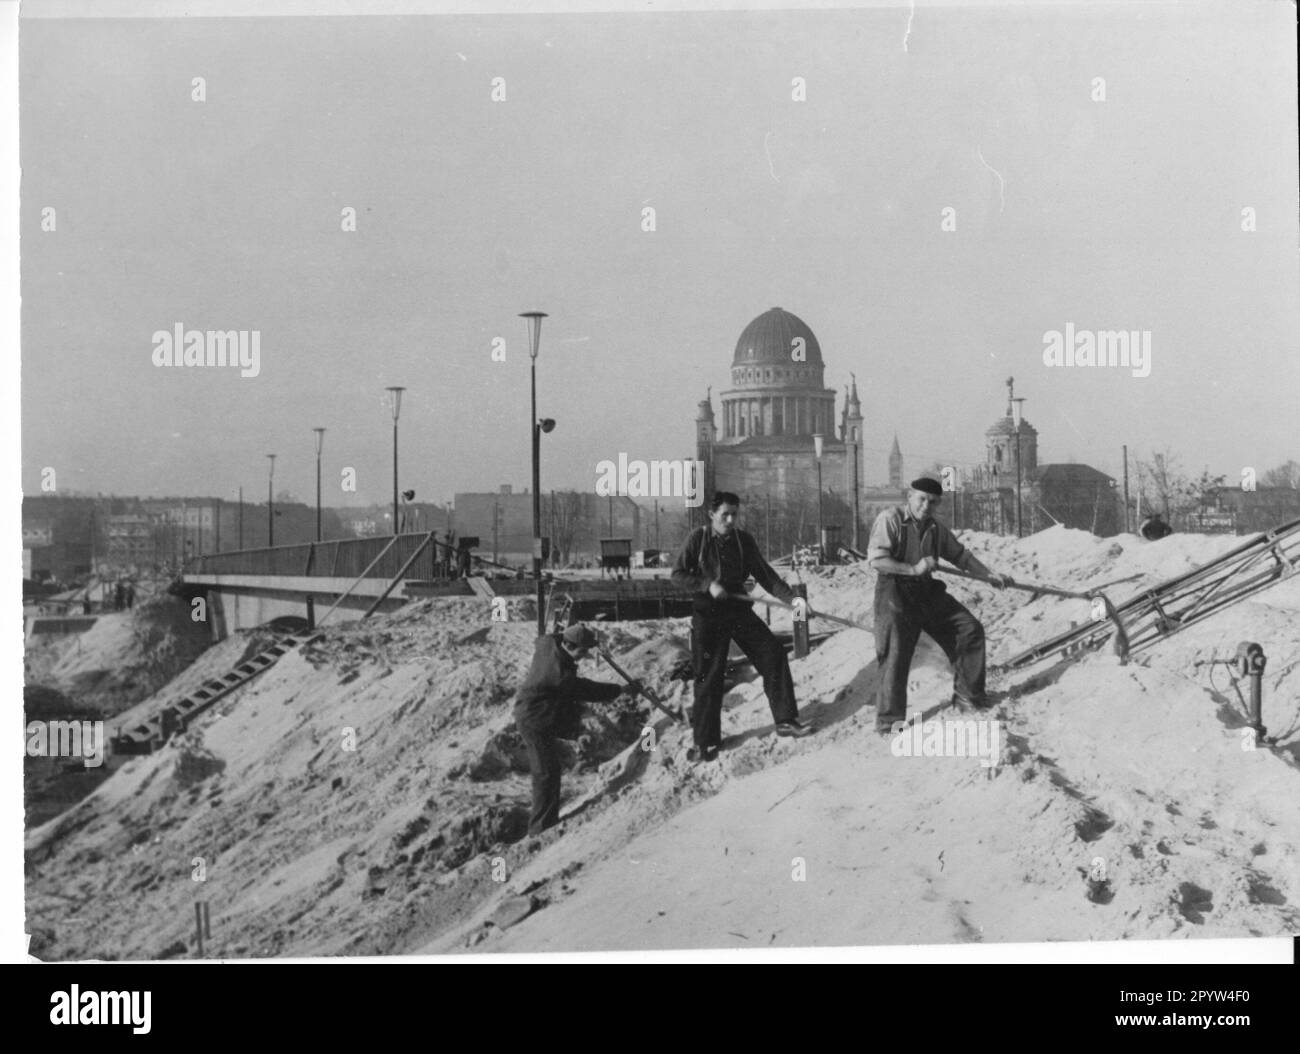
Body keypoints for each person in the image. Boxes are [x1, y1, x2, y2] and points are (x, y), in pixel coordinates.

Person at [672, 491, 814, 762]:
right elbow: (677, 575)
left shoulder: (743, 541)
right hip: (708, 612)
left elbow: (767, 576)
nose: (730, 519)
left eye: (734, 514)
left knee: (773, 654)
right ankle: (704, 742)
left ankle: (786, 721)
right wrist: (706, 584)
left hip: (737, 608)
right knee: (708, 675)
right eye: (724, 514)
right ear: (711, 514)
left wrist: (795, 602)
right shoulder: (698, 539)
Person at [868, 478, 1014, 736]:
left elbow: (961, 556)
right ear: (909, 497)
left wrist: (989, 575)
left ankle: (968, 697)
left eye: (932, 502)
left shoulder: (935, 528)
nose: (926, 506)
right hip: (894, 590)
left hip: (925, 590)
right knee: (896, 652)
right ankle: (890, 721)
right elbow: (878, 560)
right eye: (921, 499)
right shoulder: (890, 519)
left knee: (968, 629)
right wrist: (913, 568)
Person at [513, 623, 634, 836]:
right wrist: (620, 689)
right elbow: (587, 689)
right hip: (535, 720)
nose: (583, 656)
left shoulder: (549, 642)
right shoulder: (560, 675)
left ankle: (546, 821)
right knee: (546, 772)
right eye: (582, 651)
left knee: (550, 769)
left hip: (541, 710)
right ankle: (540, 828)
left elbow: (551, 635)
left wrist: (588, 640)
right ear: (568, 646)